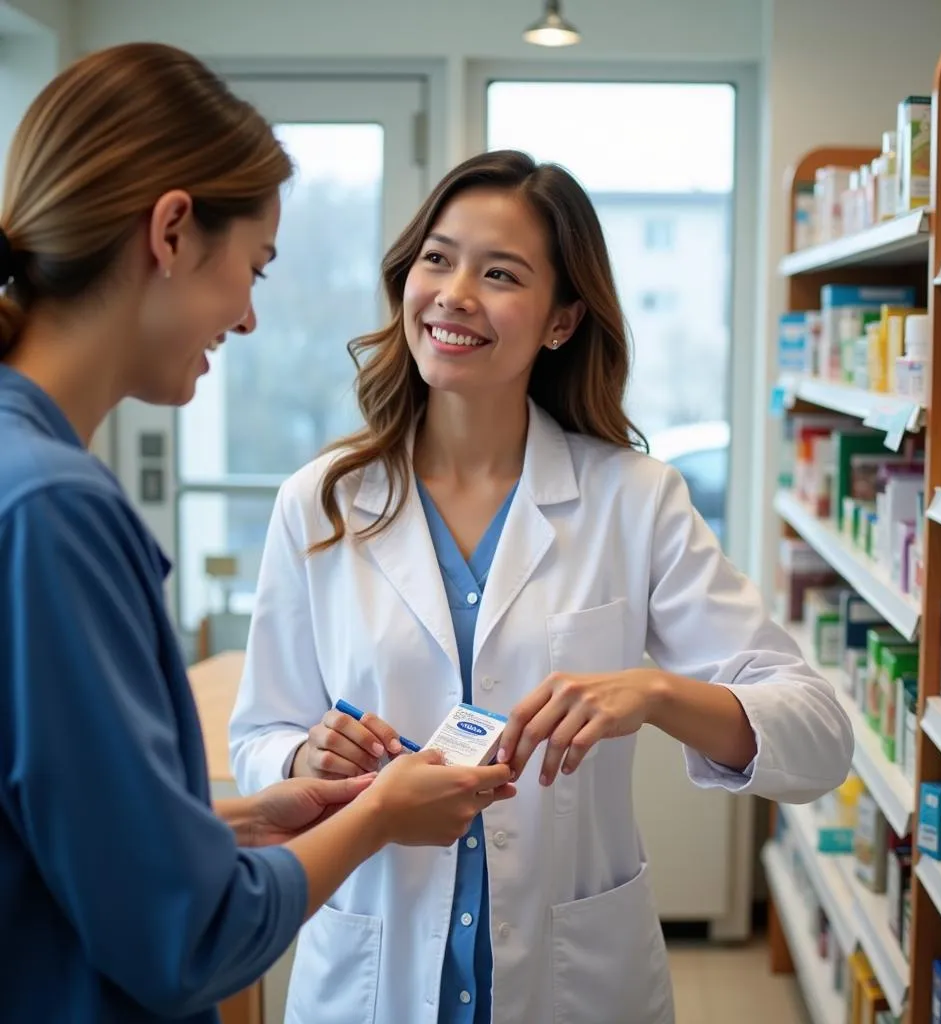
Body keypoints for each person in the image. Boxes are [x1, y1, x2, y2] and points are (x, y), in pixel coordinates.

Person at [229, 149, 855, 1024]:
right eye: (437, 259)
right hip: (373, 974)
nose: (453, 293)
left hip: (575, 981)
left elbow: (820, 736)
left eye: (500, 274)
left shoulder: (634, 499)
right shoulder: (322, 502)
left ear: (561, 319)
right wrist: (304, 756)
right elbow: (260, 730)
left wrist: (655, 692)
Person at [0, 44, 516, 1024]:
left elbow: (64, 834)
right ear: (172, 231)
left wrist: (240, 820)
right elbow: (189, 935)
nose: (245, 317)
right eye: (254, 268)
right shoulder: (51, 511)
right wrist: (374, 817)